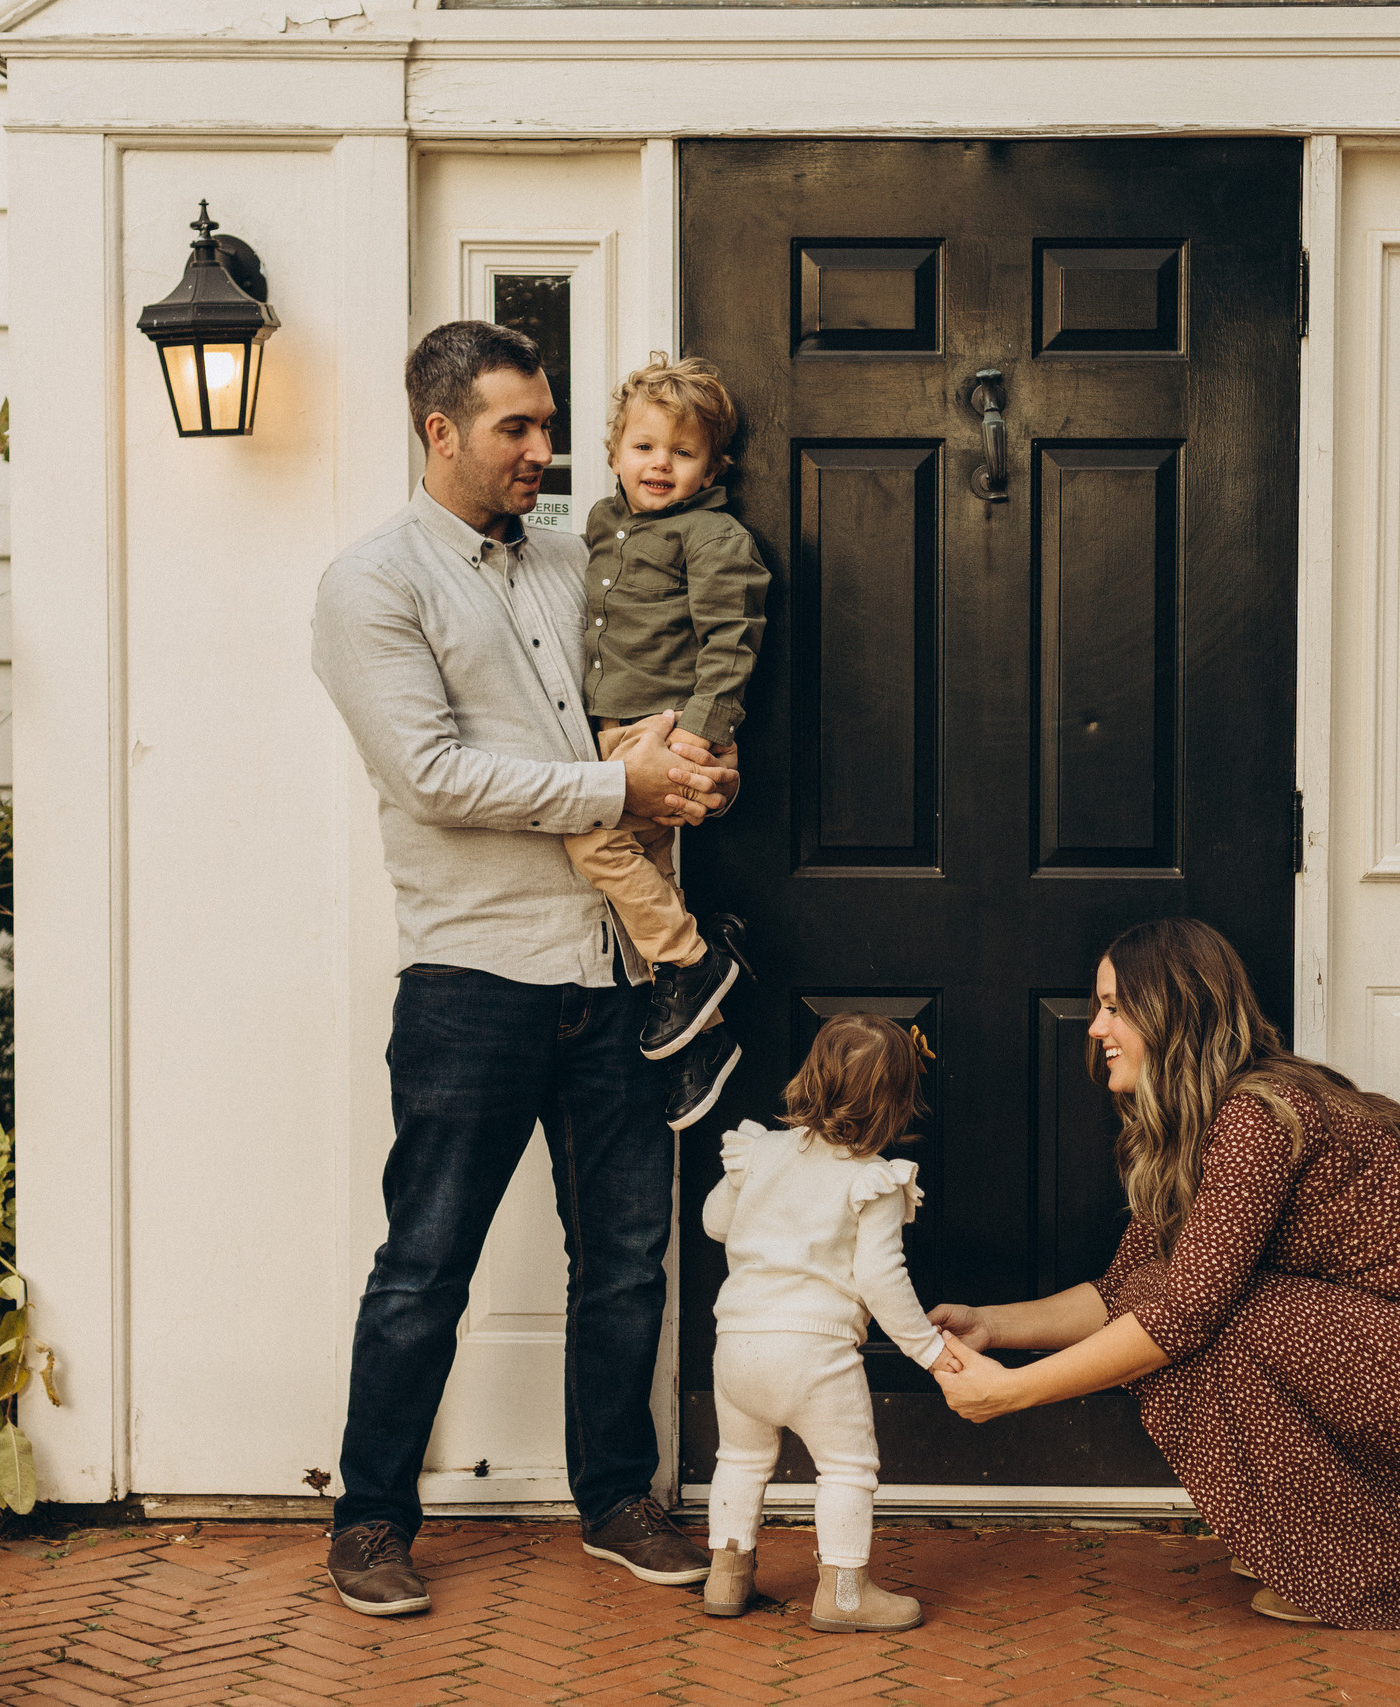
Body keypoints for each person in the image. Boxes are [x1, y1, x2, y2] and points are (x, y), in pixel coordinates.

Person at [309, 320, 739, 1619]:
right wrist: (621, 779)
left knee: (623, 1259)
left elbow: (653, 692)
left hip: (619, 978)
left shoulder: (582, 558)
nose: (546, 453)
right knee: (426, 1258)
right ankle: (372, 1516)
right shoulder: (373, 582)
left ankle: (617, 1495)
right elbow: (431, 775)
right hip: (475, 981)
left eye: (552, 426)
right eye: (517, 428)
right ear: (439, 429)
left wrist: (691, 763)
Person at [927, 918, 1400, 1630]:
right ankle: (1319, 1545)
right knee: (1171, 1305)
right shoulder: (1209, 1119)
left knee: (1214, 1319)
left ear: (1172, 1010)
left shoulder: (1254, 1115)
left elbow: (1184, 1311)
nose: (1096, 1027)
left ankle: (1369, 1570)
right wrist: (992, 1324)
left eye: (1114, 1006)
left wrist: (1011, 1394)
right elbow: (1123, 1287)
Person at [566, 357, 771, 1130]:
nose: (660, 465)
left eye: (683, 454)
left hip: (667, 733)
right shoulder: (599, 524)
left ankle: (696, 963)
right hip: (614, 732)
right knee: (644, 879)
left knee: (591, 841)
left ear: (712, 466)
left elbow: (731, 640)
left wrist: (698, 738)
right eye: (644, 447)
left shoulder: (714, 537)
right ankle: (704, 1042)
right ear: (615, 449)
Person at [697, 1014, 944, 1635]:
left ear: (809, 1078)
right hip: (816, 1351)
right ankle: (844, 1594)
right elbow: (881, 1279)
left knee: (740, 1459)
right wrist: (929, 1350)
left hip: (737, 1345)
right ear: (895, 1105)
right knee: (846, 1467)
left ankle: (726, 1575)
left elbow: (715, 1224)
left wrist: (749, 1192)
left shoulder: (760, 1153)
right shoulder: (873, 1179)